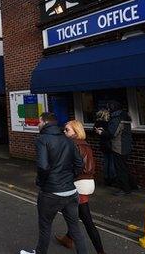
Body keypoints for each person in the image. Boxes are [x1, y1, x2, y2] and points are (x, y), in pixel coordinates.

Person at [20, 112, 86, 254]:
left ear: (44, 122)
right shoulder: (68, 140)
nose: (38, 124)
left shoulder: (42, 140)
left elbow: (43, 166)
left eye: (39, 122)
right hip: (71, 191)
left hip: (51, 193)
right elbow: (80, 163)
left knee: (45, 226)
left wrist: (42, 183)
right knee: (75, 229)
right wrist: (70, 177)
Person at [56, 120, 105, 254]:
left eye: (67, 130)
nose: (64, 132)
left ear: (75, 132)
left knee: (86, 220)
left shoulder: (72, 145)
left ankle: (101, 252)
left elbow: (70, 167)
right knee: (74, 214)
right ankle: (68, 238)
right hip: (88, 182)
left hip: (78, 184)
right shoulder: (85, 144)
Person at [107, 101, 139, 196]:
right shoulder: (125, 117)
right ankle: (133, 185)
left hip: (119, 147)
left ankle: (125, 189)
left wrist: (102, 133)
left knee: (120, 169)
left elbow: (112, 133)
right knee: (125, 167)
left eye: (109, 108)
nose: (108, 110)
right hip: (126, 145)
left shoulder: (117, 119)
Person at [94, 109, 116, 186]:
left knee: (106, 161)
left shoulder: (97, 123)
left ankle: (106, 177)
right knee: (112, 162)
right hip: (109, 144)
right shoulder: (107, 124)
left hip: (102, 144)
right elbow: (110, 134)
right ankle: (112, 179)